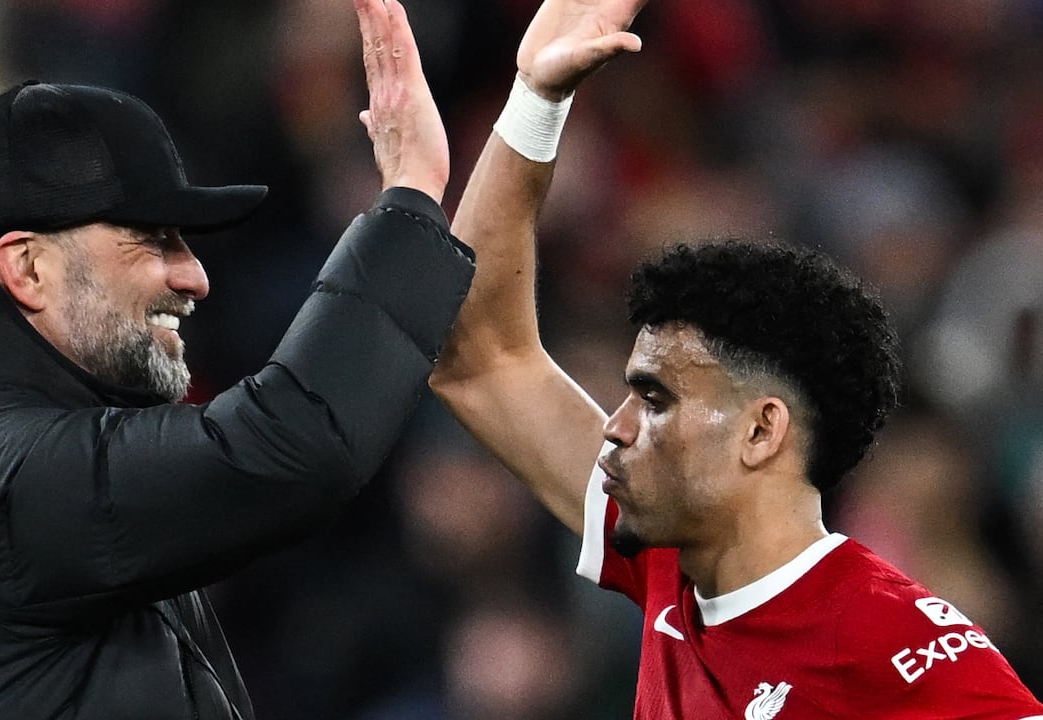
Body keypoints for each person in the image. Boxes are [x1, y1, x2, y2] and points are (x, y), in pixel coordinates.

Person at [0, 1, 472, 717]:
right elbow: (287, 443)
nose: (194, 275)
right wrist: (411, 195)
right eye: (153, 239)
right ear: (27, 268)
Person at [425, 0, 1043, 717]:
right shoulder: (668, 566)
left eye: (655, 399)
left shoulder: (897, 645)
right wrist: (535, 100)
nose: (615, 426)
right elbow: (479, 359)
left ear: (759, 431)